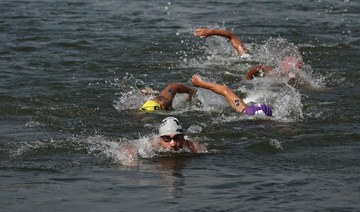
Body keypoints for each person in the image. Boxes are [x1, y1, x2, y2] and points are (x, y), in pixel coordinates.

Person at [194, 27, 304, 80]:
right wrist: (212, 32)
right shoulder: (247, 58)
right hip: (242, 66)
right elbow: (231, 36)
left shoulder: (296, 78)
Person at [191, 74, 272, 116]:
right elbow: (225, 90)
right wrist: (201, 84)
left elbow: (225, 90)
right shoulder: (245, 111)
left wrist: (201, 84)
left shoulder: (246, 113)